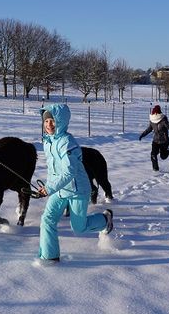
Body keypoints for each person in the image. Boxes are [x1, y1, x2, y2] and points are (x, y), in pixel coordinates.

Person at [37, 103, 113, 264]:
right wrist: (47, 186)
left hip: (77, 190)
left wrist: (50, 188)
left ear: (61, 121)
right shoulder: (48, 141)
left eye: (52, 120)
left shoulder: (67, 142)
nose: (49, 125)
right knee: (47, 219)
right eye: (46, 121)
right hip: (59, 190)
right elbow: (53, 170)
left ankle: (105, 220)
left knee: (79, 227)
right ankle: (49, 256)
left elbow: (68, 172)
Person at [139, 105, 169, 171]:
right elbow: (149, 129)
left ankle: (167, 151)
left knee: (163, 157)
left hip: (164, 141)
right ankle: (155, 169)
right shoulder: (152, 121)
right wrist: (142, 135)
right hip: (155, 141)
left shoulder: (163, 120)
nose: (155, 113)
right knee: (153, 155)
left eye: (156, 112)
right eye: (154, 112)